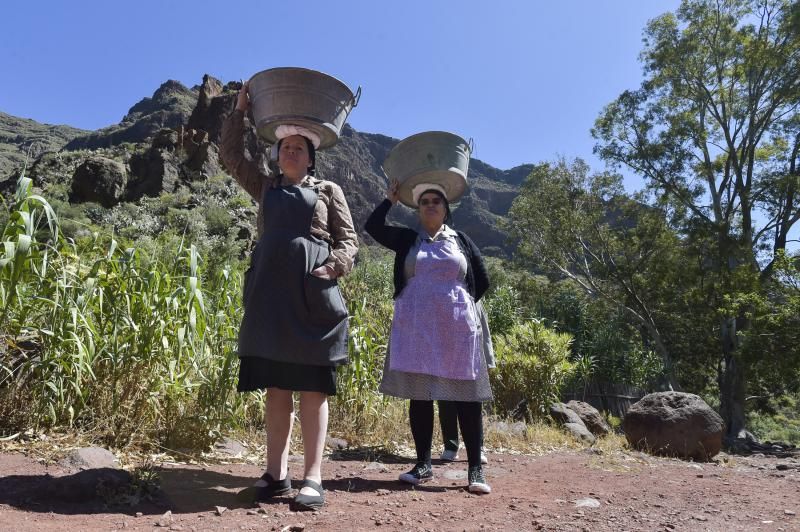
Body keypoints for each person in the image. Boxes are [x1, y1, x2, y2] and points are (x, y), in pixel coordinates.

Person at [221, 81, 358, 511]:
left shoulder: (329, 191)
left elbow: (349, 241)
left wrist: (331, 268)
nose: (290, 153)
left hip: (312, 295)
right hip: (270, 296)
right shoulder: (265, 188)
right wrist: (239, 111)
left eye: (298, 147)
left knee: (313, 386)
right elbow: (230, 157)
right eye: (284, 148)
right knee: (277, 387)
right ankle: (276, 474)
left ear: (311, 155)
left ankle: (313, 477)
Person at [365, 179, 493, 494]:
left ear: (446, 208)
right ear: (418, 210)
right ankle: (423, 464)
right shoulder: (408, 239)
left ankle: (474, 469)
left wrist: (463, 309)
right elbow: (373, 226)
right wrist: (389, 200)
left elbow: (483, 278)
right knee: (421, 394)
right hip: (417, 326)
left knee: (466, 394)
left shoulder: (461, 240)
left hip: (456, 326)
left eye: (437, 200)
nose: (431, 204)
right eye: (424, 201)